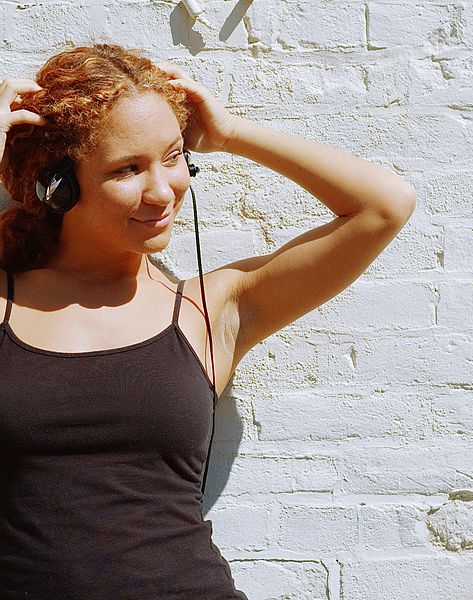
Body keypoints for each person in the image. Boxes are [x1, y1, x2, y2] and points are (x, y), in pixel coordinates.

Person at [0, 43, 416, 599]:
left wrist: (228, 134)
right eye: (128, 168)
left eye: (173, 157)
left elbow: (384, 205)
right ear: (59, 184)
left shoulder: (208, 311)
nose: (162, 191)